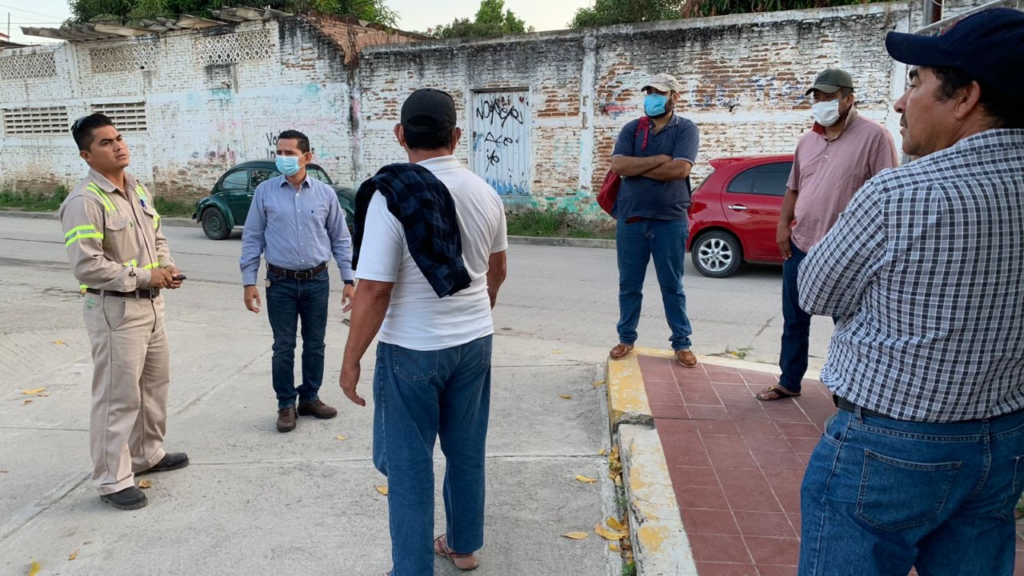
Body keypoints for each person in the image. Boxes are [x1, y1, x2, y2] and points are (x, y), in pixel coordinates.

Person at [796, 9, 1024, 575]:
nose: (900, 102)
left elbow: (815, 292)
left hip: (889, 447)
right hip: (1004, 440)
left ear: (965, 97)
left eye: (916, 82)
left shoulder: (899, 194)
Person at [338, 88, 508, 576]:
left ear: (400, 135)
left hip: (413, 348)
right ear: (456, 136)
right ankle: (463, 546)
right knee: (466, 450)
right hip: (474, 343)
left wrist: (350, 361)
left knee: (409, 465)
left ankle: (411, 569)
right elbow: (497, 272)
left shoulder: (392, 195)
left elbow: (373, 289)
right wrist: (473, 316)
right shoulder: (485, 192)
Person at [59, 113, 189, 510]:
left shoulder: (136, 188)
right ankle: (111, 479)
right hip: (115, 310)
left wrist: (165, 265)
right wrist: (146, 276)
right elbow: (87, 266)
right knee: (117, 397)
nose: (118, 146)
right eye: (105, 142)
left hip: (151, 305)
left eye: (119, 137)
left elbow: (157, 235)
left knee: (153, 387)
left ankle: (146, 453)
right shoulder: (84, 201)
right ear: (86, 155)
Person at [756, 68, 899, 402]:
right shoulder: (807, 140)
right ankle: (789, 381)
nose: (821, 103)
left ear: (849, 99)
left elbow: (888, 194)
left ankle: (851, 391)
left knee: (848, 324)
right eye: (817, 97)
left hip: (845, 251)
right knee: (794, 319)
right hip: (801, 244)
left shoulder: (874, 137)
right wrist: (782, 226)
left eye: (829, 97)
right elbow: (793, 188)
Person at [239, 130, 355, 433]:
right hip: (280, 282)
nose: (283, 158)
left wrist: (348, 278)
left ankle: (310, 398)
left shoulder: (325, 194)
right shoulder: (265, 192)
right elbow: (252, 238)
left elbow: (340, 239)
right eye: (279, 152)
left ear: (307, 157)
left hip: (317, 280)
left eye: (289, 153)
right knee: (283, 346)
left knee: (315, 344)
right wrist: (249, 282)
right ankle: (286, 404)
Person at [608, 73, 700, 368]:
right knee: (629, 284)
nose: (652, 98)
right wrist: (660, 159)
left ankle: (682, 343)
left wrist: (636, 168)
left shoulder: (686, 129)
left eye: (659, 92)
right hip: (631, 218)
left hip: (669, 219)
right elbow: (618, 165)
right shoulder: (632, 129)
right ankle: (626, 338)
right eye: (648, 92)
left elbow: (680, 170)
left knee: (672, 286)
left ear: (674, 97)